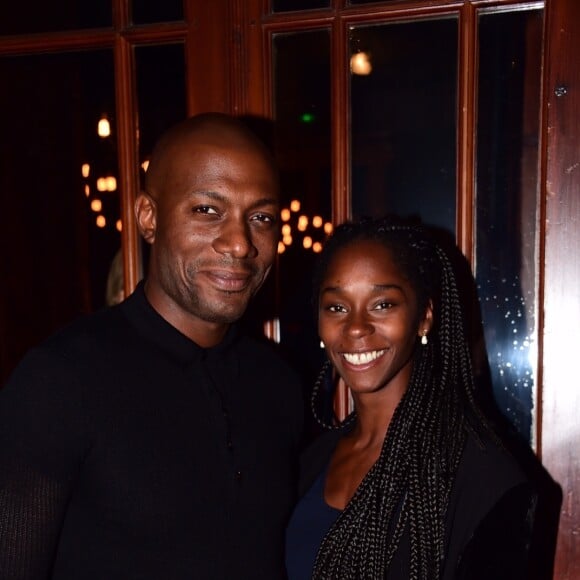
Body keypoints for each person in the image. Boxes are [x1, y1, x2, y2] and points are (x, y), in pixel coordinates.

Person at [0, 112, 304, 579]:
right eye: (208, 210)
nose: (240, 244)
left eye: (260, 217)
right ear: (148, 217)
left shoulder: (278, 384)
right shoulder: (62, 380)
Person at [285, 216, 536, 579]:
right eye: (337, 307)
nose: (356, 326)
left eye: (383, 304)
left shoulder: (482, 478)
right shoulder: (308, 462)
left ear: (424, 317)